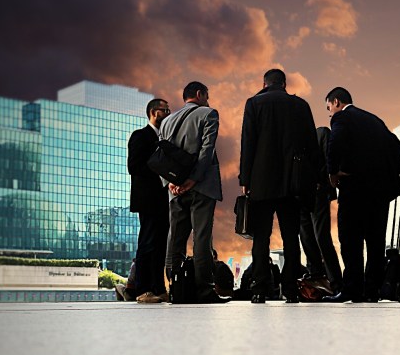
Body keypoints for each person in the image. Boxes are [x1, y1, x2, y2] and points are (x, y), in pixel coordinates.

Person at [239, 68, 320, 303]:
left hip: (261, 181)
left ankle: (260, 289)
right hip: (292, 182)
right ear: (284, 84)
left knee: (261, 238)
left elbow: (248, 142)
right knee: (291, 237)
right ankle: (291, 289)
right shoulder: (300, 105)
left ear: (264, 84)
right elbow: (312, 145)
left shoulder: (253, 104)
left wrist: (245, 179)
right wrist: (313, 179)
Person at [321, 87, 400, 303]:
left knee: (350, 239)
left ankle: (352, 289)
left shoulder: (341, 118)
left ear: (336, 102)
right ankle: (372, 290)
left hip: (355, 188)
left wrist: (332, 172)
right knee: (376, 242)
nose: (330, 113)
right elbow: (397, 145)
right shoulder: (374, 120)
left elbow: (335, 143)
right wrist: (390, 175)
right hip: (380, 192)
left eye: (329, 108)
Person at [160, 81, 229, 304]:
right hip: (201, 186)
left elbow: (162, 155)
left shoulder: (167, 121)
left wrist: (171, 182)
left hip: (175, 189)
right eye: (207, 96)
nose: (208, 101)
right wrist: (193, 179)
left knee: (175, 237)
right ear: (200, 94)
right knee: (202, 238)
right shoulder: (208, 114)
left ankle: (175, 287)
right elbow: (206, 150)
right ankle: (204, 290)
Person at [126, 98, 170, 303]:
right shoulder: (140, 135)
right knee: (147, 243)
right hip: (148, 199)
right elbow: (134, 166)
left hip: (163, 200)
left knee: (161, 246)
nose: (168, 113)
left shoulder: (166, 138)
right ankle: (142, 290)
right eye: (164, 110)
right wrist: (160, 171)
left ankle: (158, 288)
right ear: (153, 112)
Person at [299, 126, 342, 293]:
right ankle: (316, 274)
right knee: (306, 235)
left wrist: (321, 183)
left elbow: (329, 160)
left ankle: (336, 282)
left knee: (321, 236)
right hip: (300, 193)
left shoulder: (321, 133)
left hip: (317, 192)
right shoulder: (294, 139)